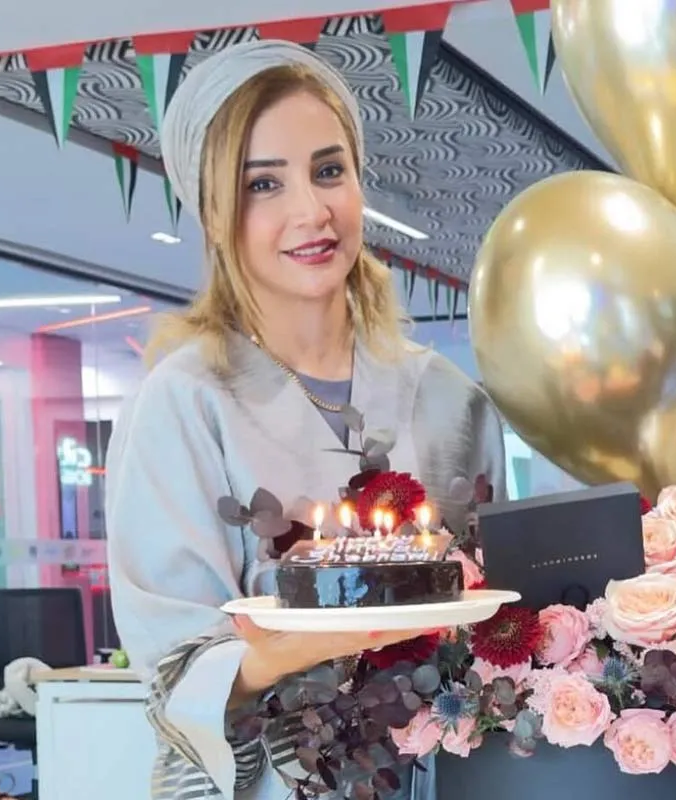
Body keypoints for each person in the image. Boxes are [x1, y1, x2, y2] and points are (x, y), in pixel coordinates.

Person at [105, 39, 507, 800]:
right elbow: (176, 672)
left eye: (329, 171)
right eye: (263, 184)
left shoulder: (449, 395)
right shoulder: (185, 402)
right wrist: (308, 640)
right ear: (214, 214)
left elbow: (498, 614)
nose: (310, 211)